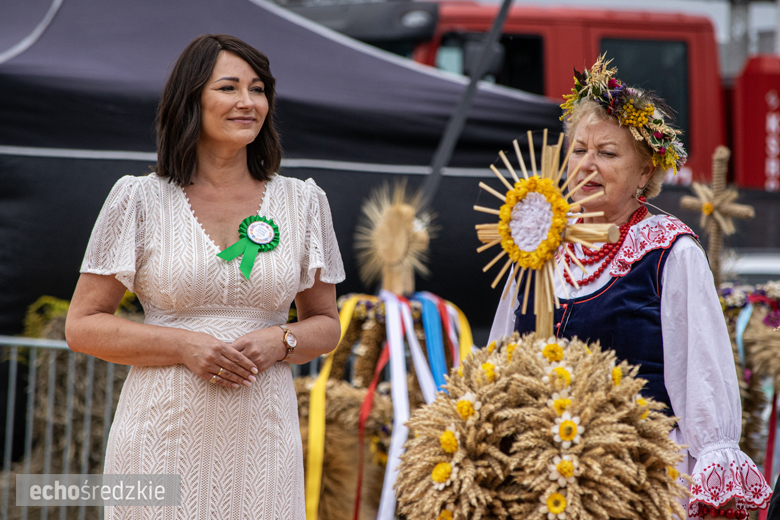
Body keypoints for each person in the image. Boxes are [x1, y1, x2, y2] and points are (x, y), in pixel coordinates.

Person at [65, 34, 344, 519]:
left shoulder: (303, 202)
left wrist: (280, 340)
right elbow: (83, 324)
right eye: (229, 88)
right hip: (159, 437)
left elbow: (325, 323)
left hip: (263, 444)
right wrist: (183, 345)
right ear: (190, 99)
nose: (247, 102)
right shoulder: (138, 199)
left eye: (258, 90)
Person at [490, 56, 772, 518]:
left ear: (645, 173)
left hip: (635, 487)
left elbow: (702, 378)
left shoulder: (670, 253)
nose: (587, 165)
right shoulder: (538, 246)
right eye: (579, 150)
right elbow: (499, 359)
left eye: (607, 153)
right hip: (536, 486)